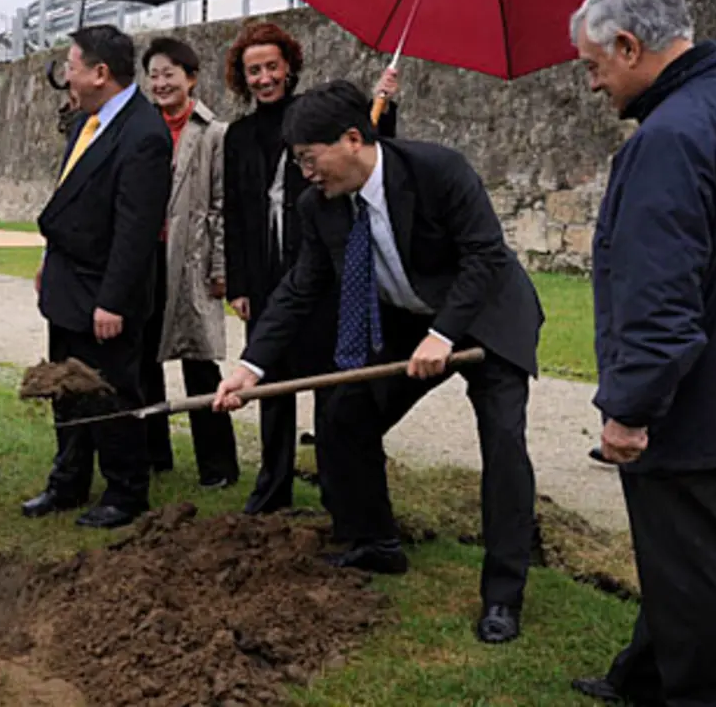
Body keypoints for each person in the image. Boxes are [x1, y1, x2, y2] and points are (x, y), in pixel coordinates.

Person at [213, 79, 545, 645]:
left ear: (351, 140)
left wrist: (444, 334)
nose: (307, 173)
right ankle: (376, 542)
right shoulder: (318, 206)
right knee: (345, 418)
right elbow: (299, 288)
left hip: (487, 315)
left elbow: (486, 255)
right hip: (407, 320)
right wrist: (252, 367)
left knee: (503, 444)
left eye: (309, 159)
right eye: (298, 163)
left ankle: (502, 594)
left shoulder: (439, 170)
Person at [565, 0, 716, 704]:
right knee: (691, 554)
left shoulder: (669, 137)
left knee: (697, 572)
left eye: (593, 64)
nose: (593, 82)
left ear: (629, 48)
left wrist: (631, 409)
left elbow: (659, 298)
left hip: (695, 405)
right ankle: (640, 678)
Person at [221, 21, 400, 515]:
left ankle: (335, 482)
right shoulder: (237, 136)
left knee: (328, 381)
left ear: (289, 68)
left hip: (321, 268)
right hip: (264, 272)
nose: (263, 79)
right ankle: (273, 485)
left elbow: (367, 150)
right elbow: (234, 210)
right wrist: (238, 283)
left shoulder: (315, 118)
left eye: (271, 67)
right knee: (270, 379)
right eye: (253, 70)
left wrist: (386, 104)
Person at [21, 25, 173, 529]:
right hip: (68, 280)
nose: (66, 75)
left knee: (110, 392)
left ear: (100, 73)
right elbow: (72, 200)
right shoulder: (89, 121)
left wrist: (114, 300)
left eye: (72, 65)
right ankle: (68, 481)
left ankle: (126, 492)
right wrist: (50, 258)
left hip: (105, 292)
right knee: (66, 389)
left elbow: (137, 228)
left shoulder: (142, 133)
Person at [138, 37, 241, 488]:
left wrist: (221, 267)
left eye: (169, 74)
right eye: (154, 75)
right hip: (147, 258)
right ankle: (154, 453)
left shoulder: (214, 133)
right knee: (144, 359)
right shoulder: (141, 128)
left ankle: (218, 467)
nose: (161, 83)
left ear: (191, 78)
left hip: (193, 260)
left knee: (199, 362)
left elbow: (223, 204)